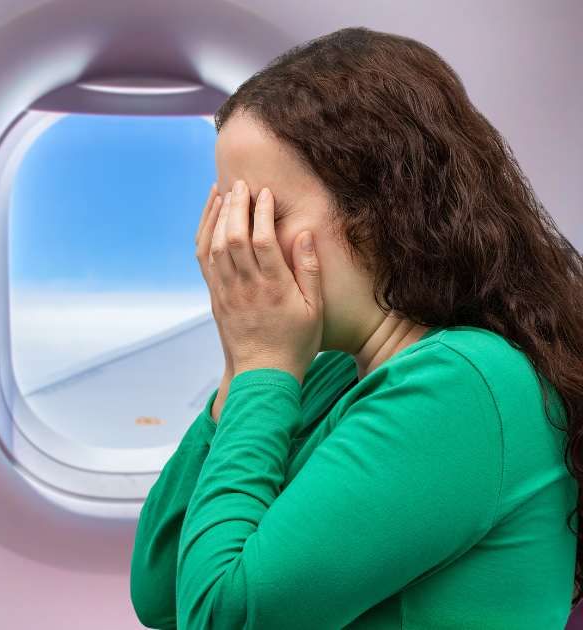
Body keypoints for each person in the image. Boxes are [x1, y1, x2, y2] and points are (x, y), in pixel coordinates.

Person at [130, 27, 580, 629]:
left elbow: (219, 617)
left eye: (263, 214)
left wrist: (262, 362)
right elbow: (160, 590)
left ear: (378, 212)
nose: (232, 245)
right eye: (229, 215)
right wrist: (242, 370)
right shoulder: (332, 374)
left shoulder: (464, 385)